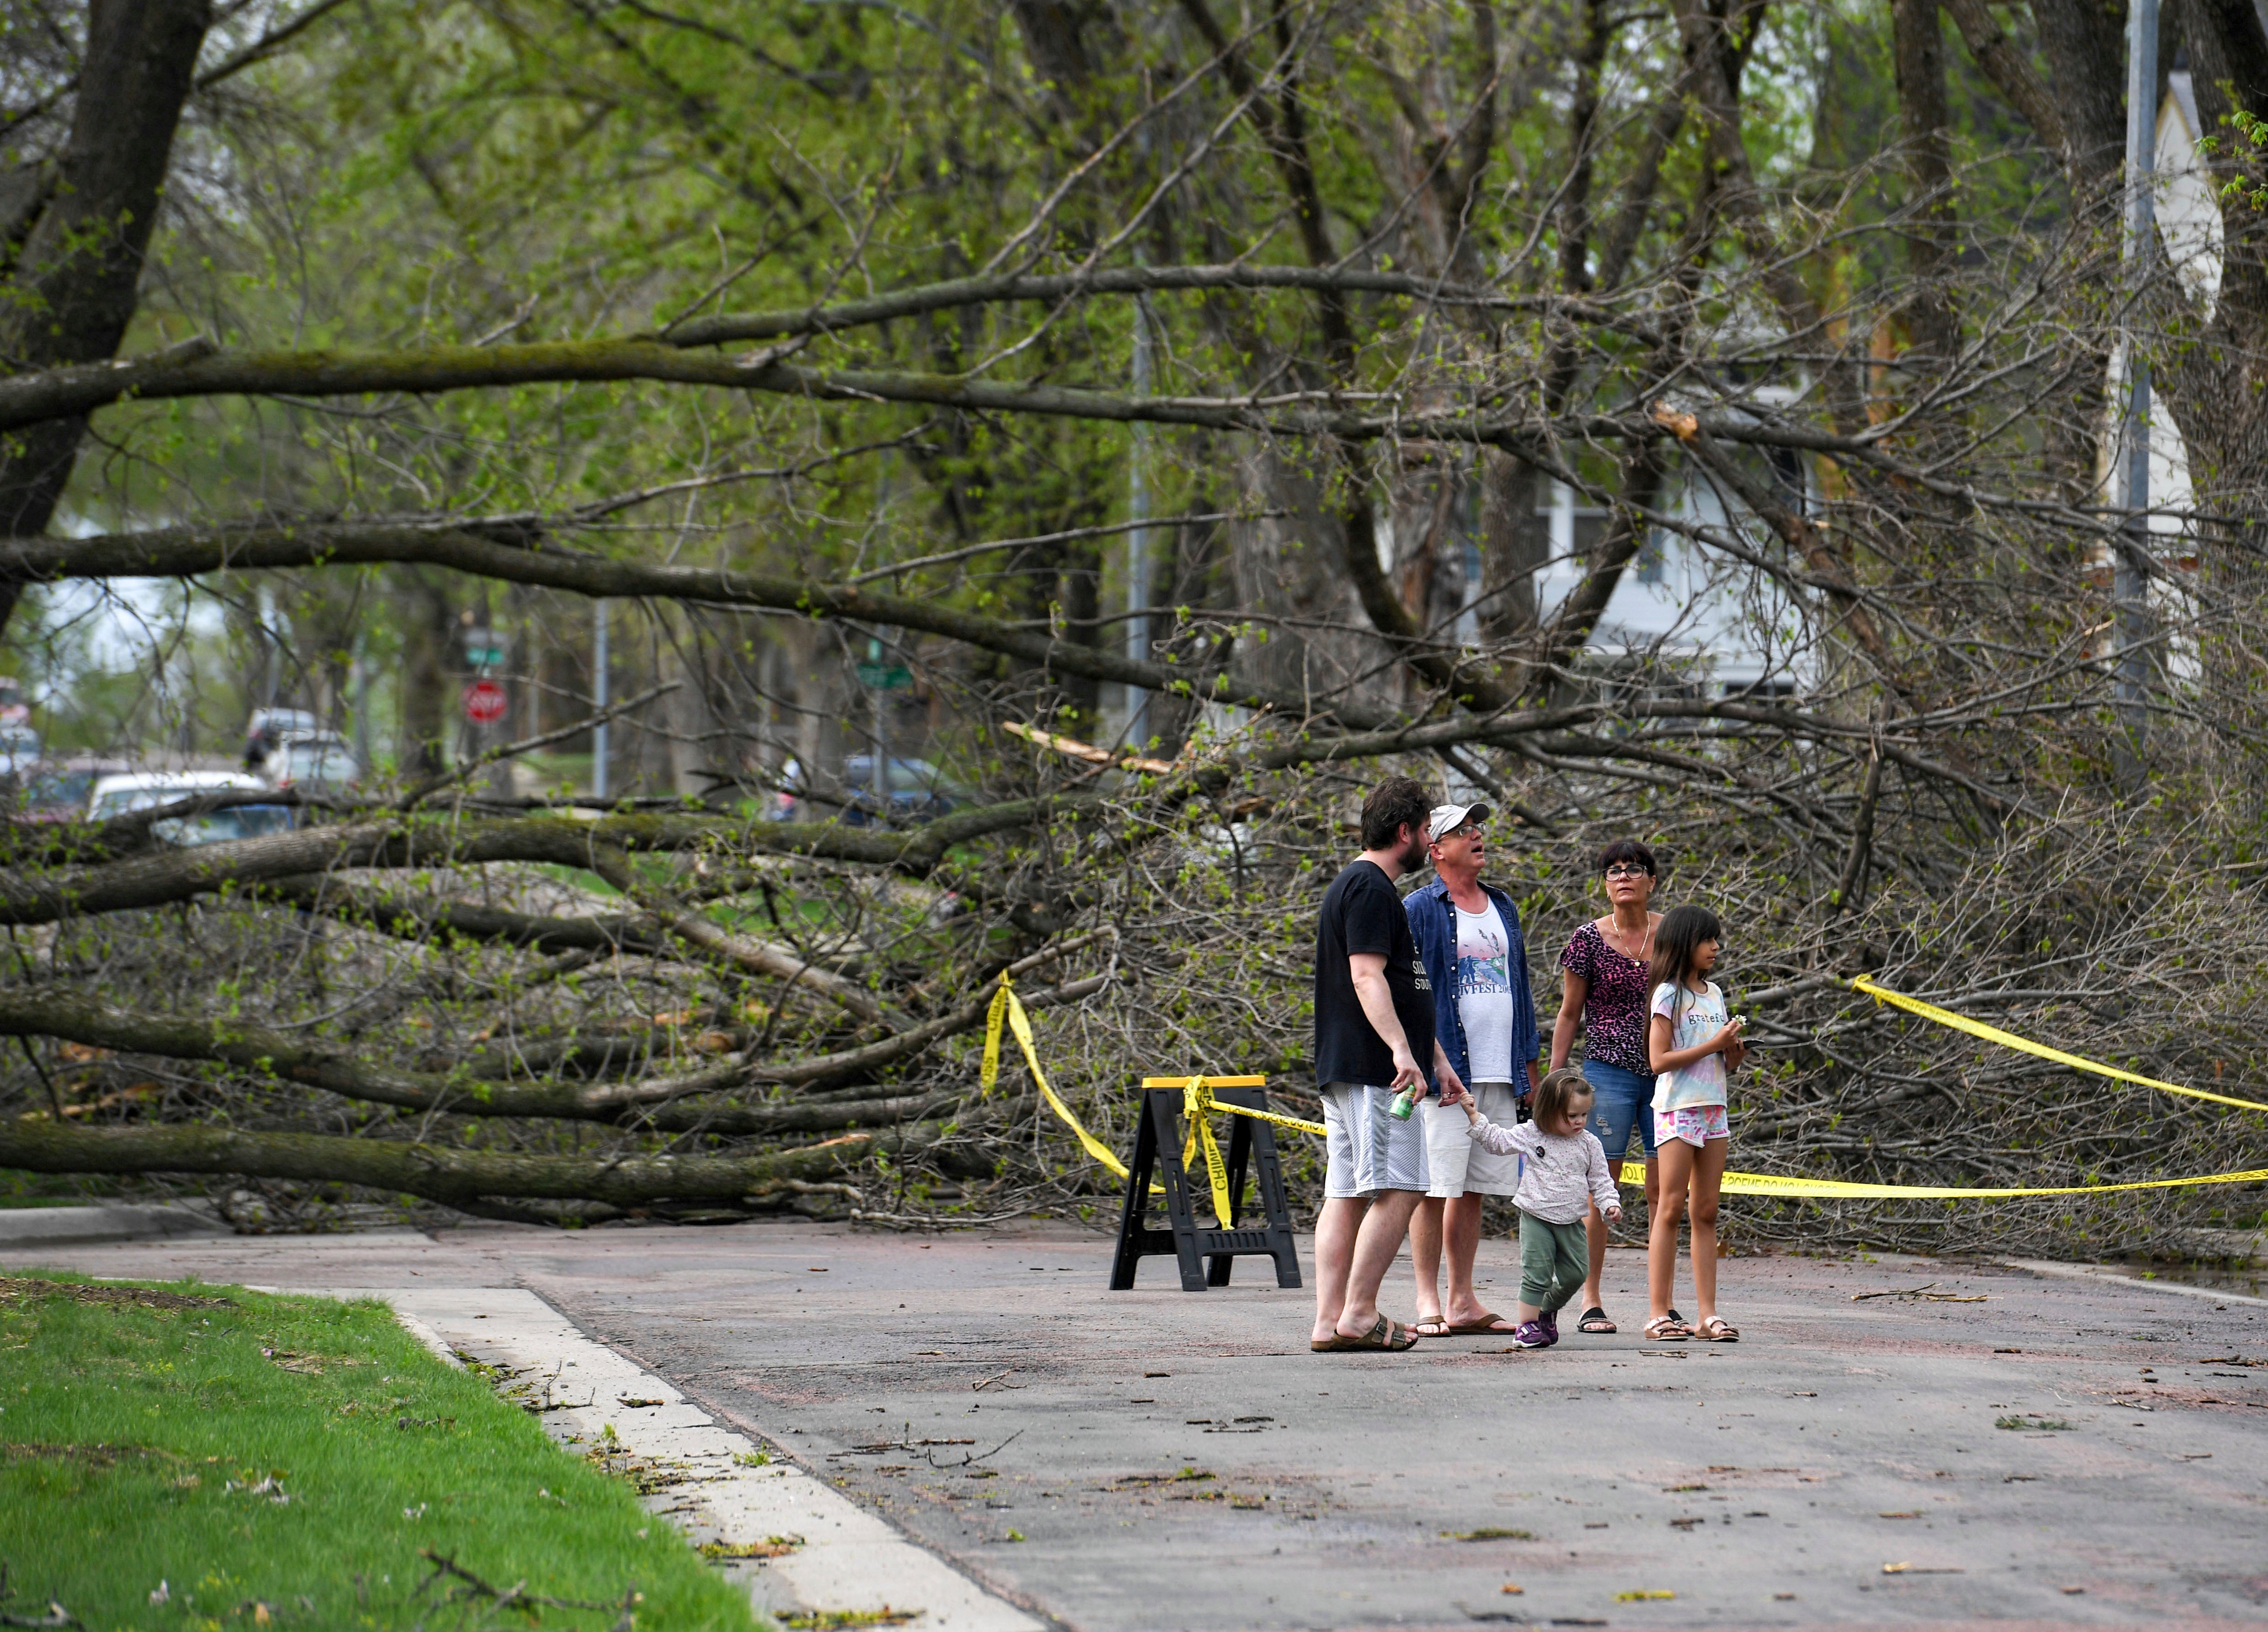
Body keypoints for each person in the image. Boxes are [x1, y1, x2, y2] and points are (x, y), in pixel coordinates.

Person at [1310, 774, 1440, 1354]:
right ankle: (1359, 1312)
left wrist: (1435, 1058)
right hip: (1376, 1070)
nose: (1430, 843)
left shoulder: (1364, 885)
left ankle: (1329, 1322)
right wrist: (1402, 1053)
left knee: (1346, 1193)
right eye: (1427, 830)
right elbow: (1366, 976)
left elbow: (1405, 986)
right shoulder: (1368, 887)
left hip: (1356, 1065)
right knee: (1403, 1186)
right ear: (1404, 831)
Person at [1404, 801, 1541, 1336]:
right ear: (1435, 849)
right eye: (1462, 831)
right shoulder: (1418, 907)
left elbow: (1521, 989)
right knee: (1434, 1186)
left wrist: (1528, 1069)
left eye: (1477, 827)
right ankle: (1426, 1297)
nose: (1476, 834)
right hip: (1445, 1071)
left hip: (1498, 1067)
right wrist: (1424, 1059)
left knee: (1473, 1188)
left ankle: (1462, 1300)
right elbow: (1405, 990)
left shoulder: (1502, 904)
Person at [1551, 839, 1665, 1336]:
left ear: (1651, 880)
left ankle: (1662, 1305)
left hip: (1667, 1076)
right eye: (1613, 870)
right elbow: (1569, 1013)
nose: (1623, 877)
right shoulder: (1587, 939)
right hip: (1607, 1073)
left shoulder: (1673, 934)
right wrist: (1556, 1079)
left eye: (1634, 869)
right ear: (1605, 883)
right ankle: (1590, 1298)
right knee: (1602, 1187)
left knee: (1665, 1191)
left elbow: (1694, 1001)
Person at [1459, 1065, 1621, 1350]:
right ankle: (1527, 1326)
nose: (1579, 1122)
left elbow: (1601, 1180)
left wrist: (1610, 1204)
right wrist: (1474, 1115)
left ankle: (1546, 1310)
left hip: (1572, 1221)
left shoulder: (1590, 1144)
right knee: (1537, 1274)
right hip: (1536, 1216)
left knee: (1576, 1274)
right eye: (1571, 1116)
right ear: (1549, 1110)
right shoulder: (1533, 1134)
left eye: (1584, 1115)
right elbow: (1498, 1142)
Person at [1644, 904, 1745, 1342]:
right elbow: (1658, 1059)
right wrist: (1713, 1043)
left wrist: (1733, 1051)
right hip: (1677, 1108)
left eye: (1716, 939)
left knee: (1706, 1211)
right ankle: (1657, 1313)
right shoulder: (1667, 994)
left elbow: (1724, 1062)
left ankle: (1708, 1316)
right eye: (1708, 939)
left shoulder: (1714, 993)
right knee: (1670, 1207)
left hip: (1714, 1107)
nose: (1715, 947)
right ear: (1685, 942)